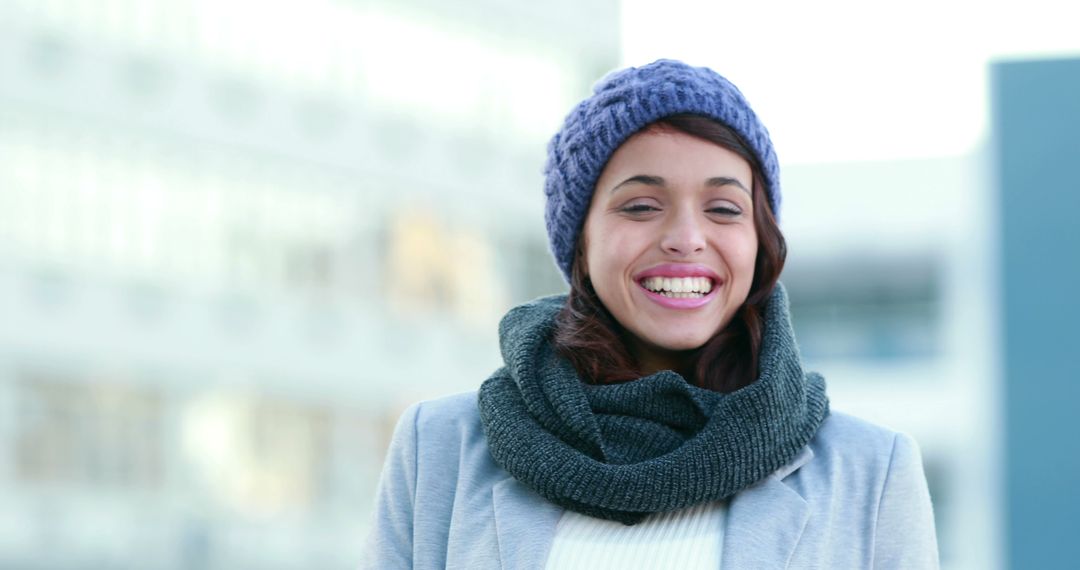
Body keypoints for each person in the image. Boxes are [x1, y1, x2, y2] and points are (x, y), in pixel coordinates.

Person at [360, 59, 939, 569]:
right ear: (580, 240)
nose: (686, 238)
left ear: (759, 240)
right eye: (640, 205)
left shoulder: (872, 472)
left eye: (723, 208)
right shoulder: (437, 449)